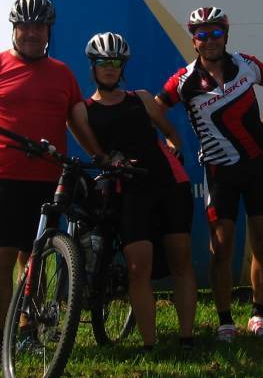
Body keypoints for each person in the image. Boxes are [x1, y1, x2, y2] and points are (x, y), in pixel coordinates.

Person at [0, 0, 110, 374]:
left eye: (39, 26)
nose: (32, 33)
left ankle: (26, 332)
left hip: (46, 177)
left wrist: (100, 155)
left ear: (49, 30)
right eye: (25, 26)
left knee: (34, 257)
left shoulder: (62, 74)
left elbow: (77, 122)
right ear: (14, 29)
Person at [156, 6, 263, 341]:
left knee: (262, 244)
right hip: (219, 172)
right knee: (221, 249)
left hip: (258, 167)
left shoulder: (246, 64)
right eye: (202, 34)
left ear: (225, 36)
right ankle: (225, 321)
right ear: (194, 41)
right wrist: (172, 138)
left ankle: (259, 316)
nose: (209, 39)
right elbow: (155, 108)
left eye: (216, 33)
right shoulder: (184, 80)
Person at [82, 32, 197, 351]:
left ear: (123, 66)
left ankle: (187, 339)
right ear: (92, 65)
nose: (110, 67)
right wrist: (109, 160)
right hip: (130, 190)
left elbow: (171, 133)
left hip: (169, 183)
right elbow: (95, 154)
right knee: (138, 267)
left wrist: (174, 151)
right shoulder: (83, 110)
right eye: (103, 61)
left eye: (116, 61)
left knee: (181, 259)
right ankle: (149, 344)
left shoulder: (142, 98)